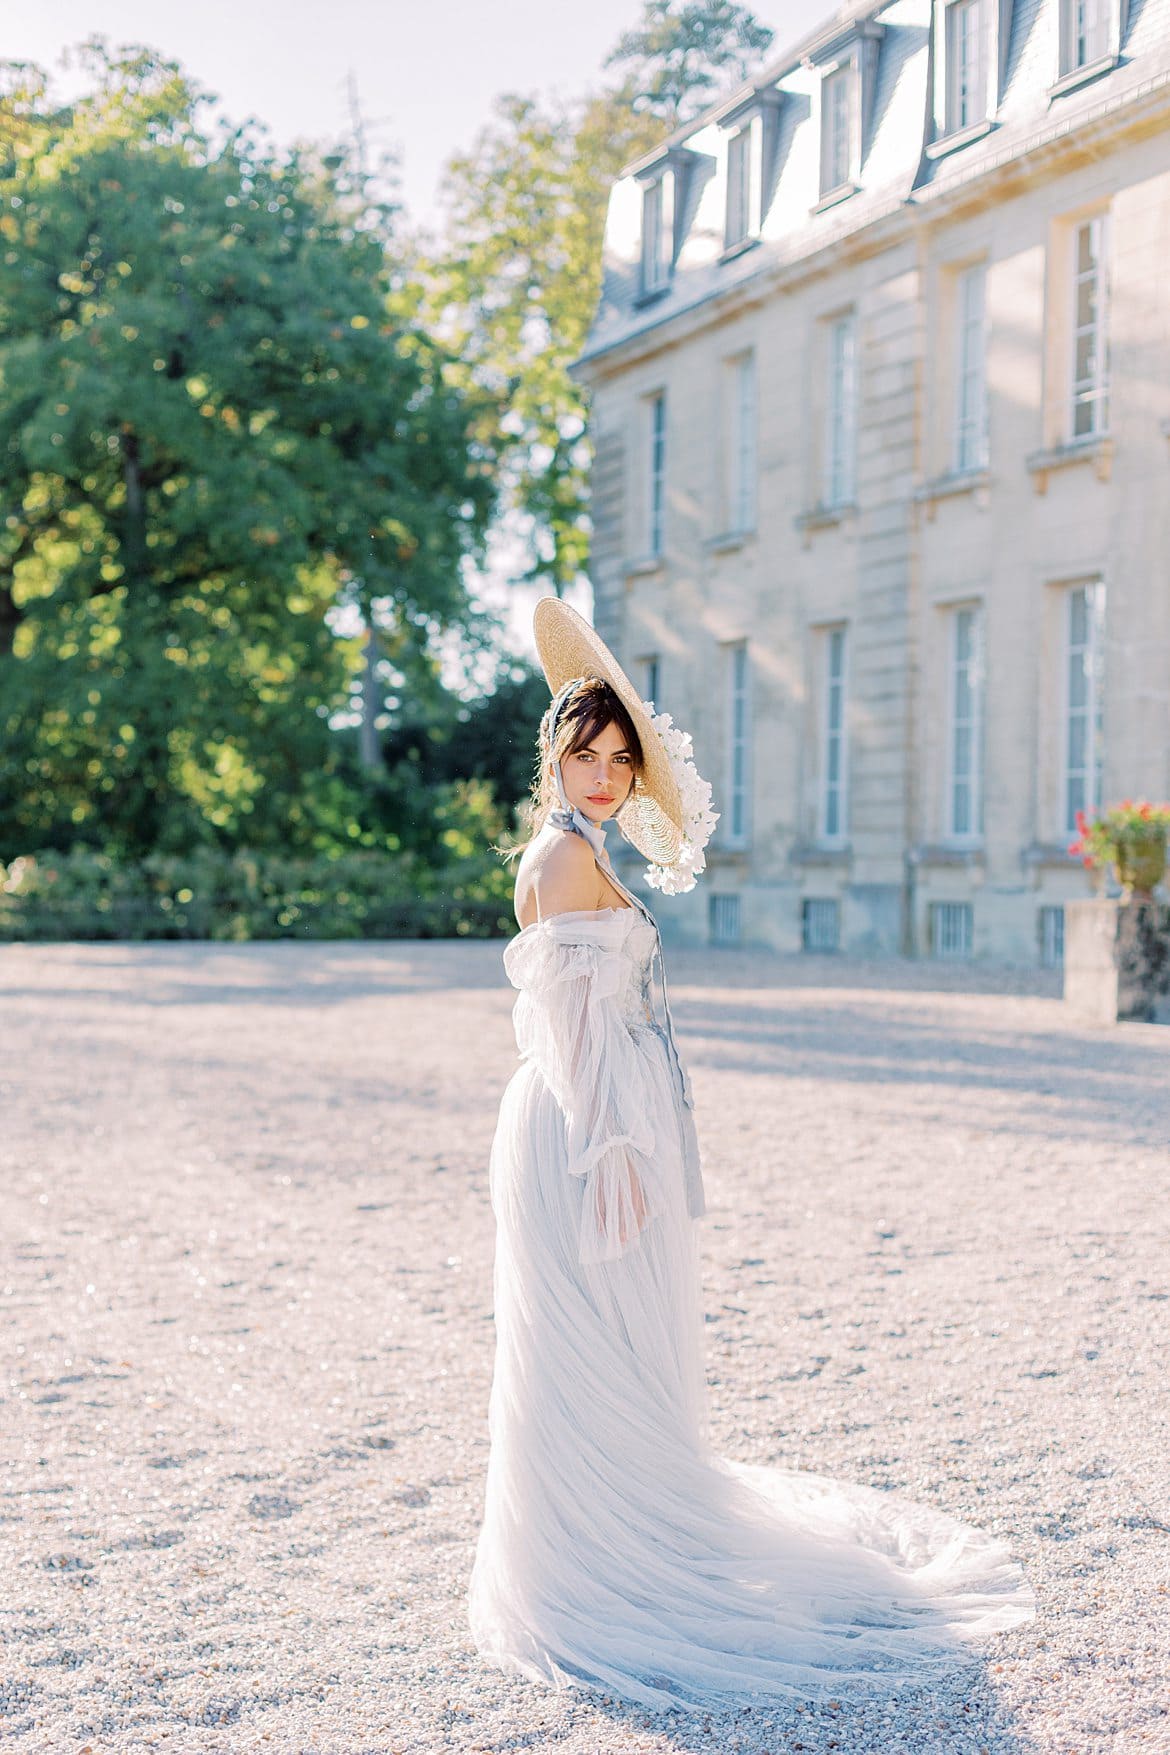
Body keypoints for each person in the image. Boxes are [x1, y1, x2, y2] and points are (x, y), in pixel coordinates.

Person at [467, 598, 1035, 1711]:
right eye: (586, 755)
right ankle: (602, 1558)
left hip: (599, 1111)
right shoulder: (563, 856)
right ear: (557, 755)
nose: (603, 776)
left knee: (617, 1344)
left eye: (620, 761)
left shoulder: (582, 847)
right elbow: (565, 1027)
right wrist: (614, 1148)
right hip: (589, 1123)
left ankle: (609, 1527)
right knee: (596, 1338)